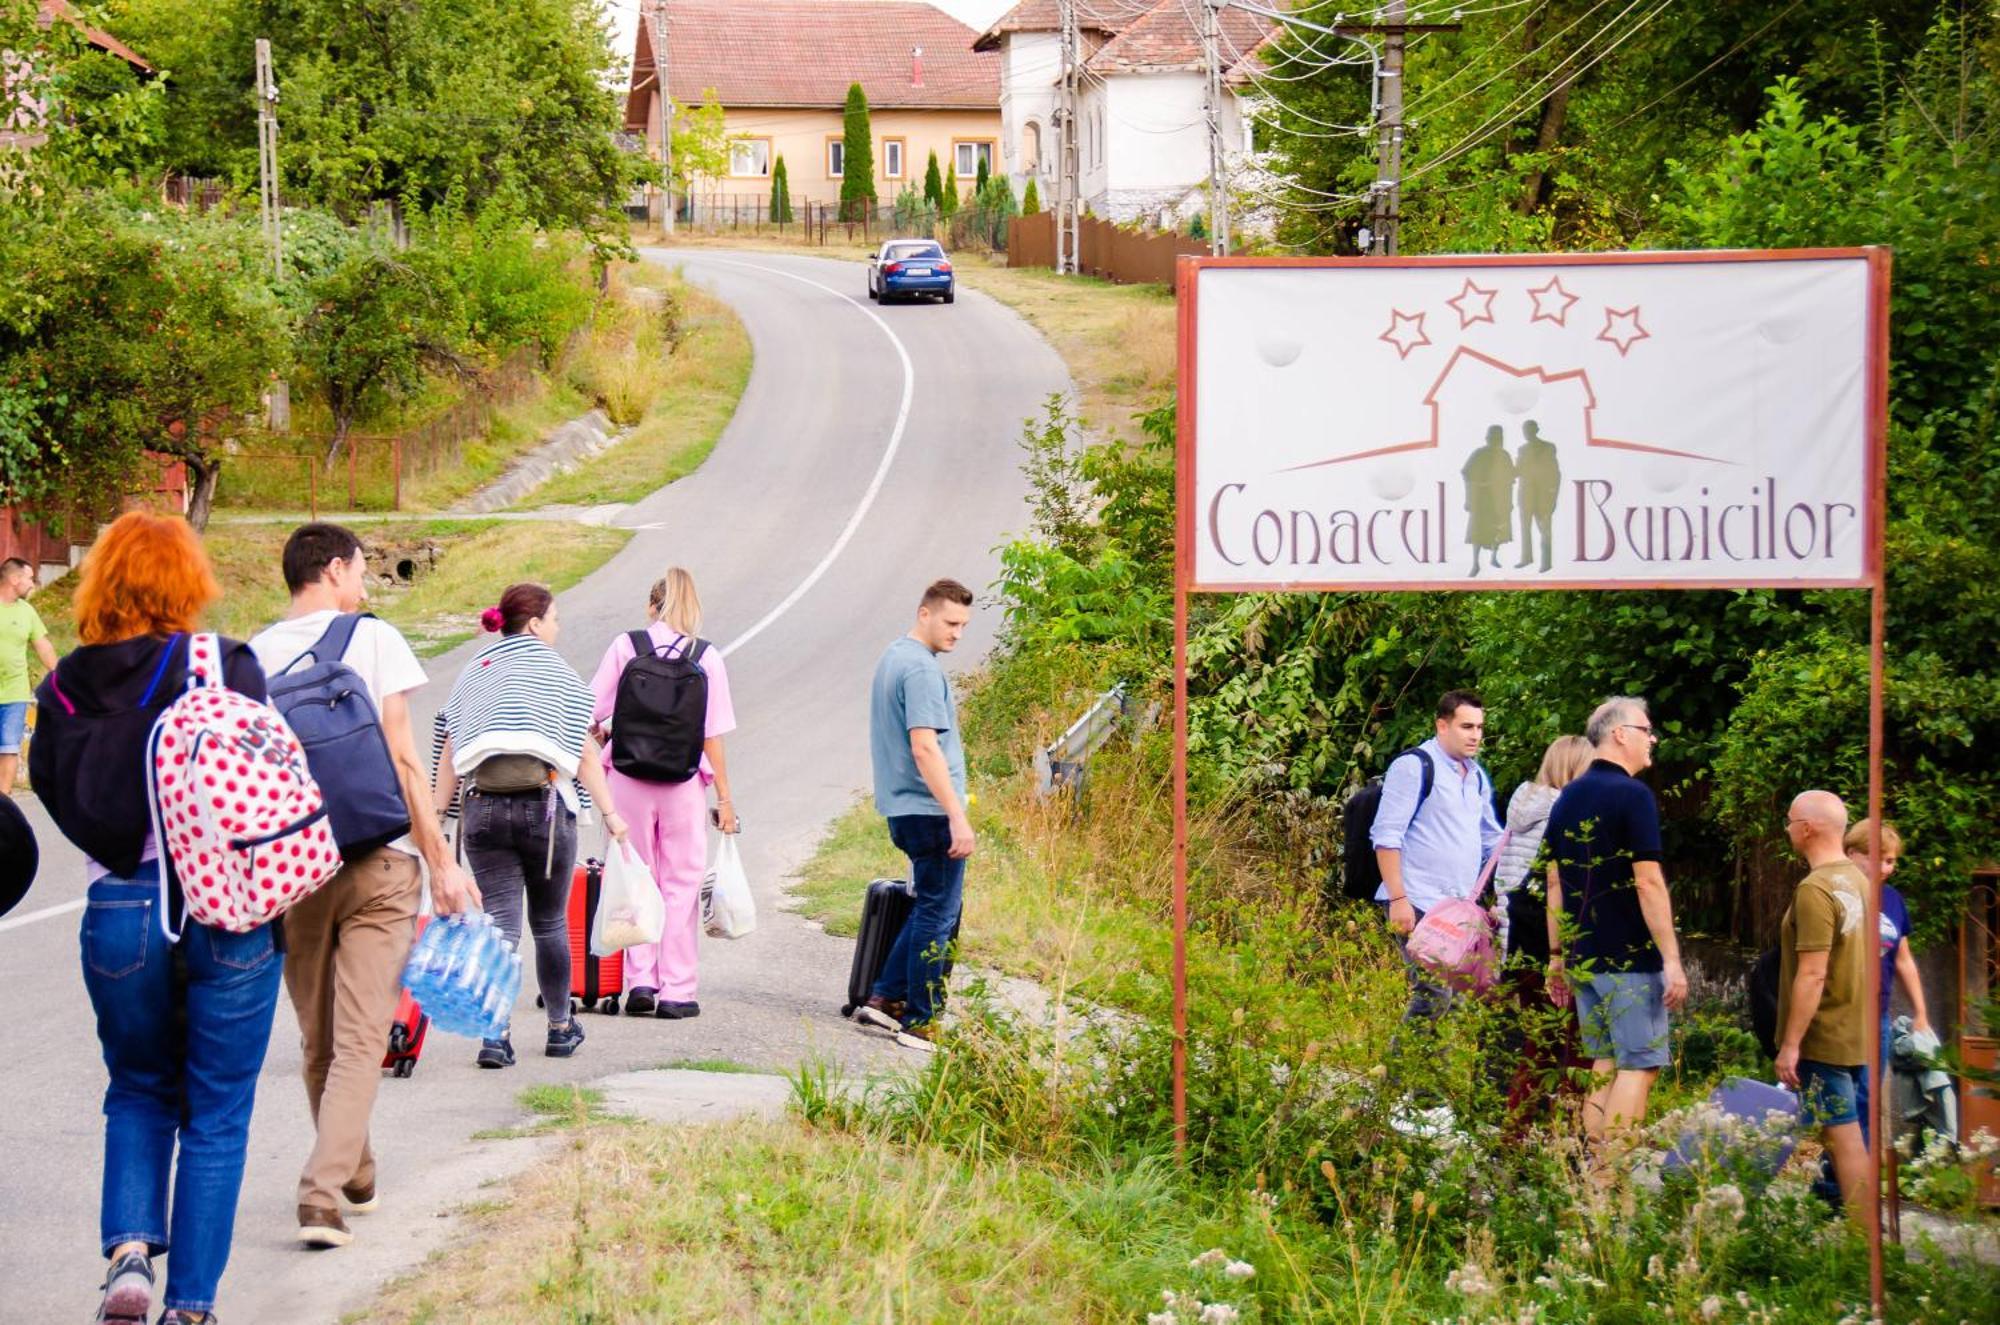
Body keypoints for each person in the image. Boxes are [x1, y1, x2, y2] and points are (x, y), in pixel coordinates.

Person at [29, 513, 279, 1325]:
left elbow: (56, 793)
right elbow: (269, 783)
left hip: (120, 907)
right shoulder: (222, 662)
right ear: (188, 581)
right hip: (228, 909)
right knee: (217, 1108)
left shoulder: (63, 684)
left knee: (137, 1086)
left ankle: (130, 1254)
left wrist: (117, 855)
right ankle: (192, 1307)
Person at [248, 523, 481, 1250]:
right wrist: (441, 862)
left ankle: (354, 1168)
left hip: (295, 873)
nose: (364, 585)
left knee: (321, 1039)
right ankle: (324, 1192)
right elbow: (408, 761)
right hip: (381, 861)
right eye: (359, 571)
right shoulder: (372, 639)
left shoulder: (249, 656)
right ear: (336, 568)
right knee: (359, 1038)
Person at [432, 583, 627, 1068]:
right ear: (535, 623)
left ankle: (494, 1037)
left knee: (499, 926)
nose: (558, 628)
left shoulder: (473, 672)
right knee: (550, 922)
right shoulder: (558, 674)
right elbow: (583, 752)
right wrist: (610, 814)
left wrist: (437, 821)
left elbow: (451, 751)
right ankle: (561, 1028)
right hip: (545, 810)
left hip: (483, 808)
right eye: (555, 618)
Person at [588, 566, 737, 1018]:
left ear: (652, 606)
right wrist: (726, 799)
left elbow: (590, 712)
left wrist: (603, 738)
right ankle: (677, 990)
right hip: (684, 781)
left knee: (637, 878)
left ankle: (640, 982)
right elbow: (713, 734)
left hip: (628, 777)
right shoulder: (706, 656)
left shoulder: (625, 646)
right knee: (681, 884)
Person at [1545, 696, 1687, 1157]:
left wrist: (1558, 955)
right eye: (1647, 730)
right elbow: (1647, 882)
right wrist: (1671, 959)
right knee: (1639, 1067)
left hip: (1585, 956)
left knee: (1604, 1064)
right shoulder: (1633, 796)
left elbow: (1554, 881)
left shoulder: (1569, 795)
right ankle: (1612, 1176)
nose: (1653, 740)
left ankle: (1593, 1181)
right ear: (1619, 733)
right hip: (1629, 958)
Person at [855, 579, 975, 1053]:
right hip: (929, 809)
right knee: (939, 912)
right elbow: (925, 747)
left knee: (931, 903)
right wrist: (957, 816)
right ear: (924, 614)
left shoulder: (893, 656)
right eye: (950, 622)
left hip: (903, 807)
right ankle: (922, 1022)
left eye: (964, 625)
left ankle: (885, 998)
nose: (957, 634)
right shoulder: (922, 670)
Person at [1371, 690, 1505, 1034]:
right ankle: (1397, 1082)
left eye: (1479, 727)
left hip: (1455, 909)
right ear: (1442, 726)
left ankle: (1428, 1087)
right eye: (1466, 726)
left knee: (1453, 1003)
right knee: (1433, 994)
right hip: (1415, 898)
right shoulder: (1415, 766)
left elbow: (1492, 839)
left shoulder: (1474, 775)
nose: (1475, 735)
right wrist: (1399, 900)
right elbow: (1386, 836)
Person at [1775, 790, 1872, 1216]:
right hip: (1858, 1027)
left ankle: (1864, 1241)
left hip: (1825, 1031)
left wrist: (1791, 1043)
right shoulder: (1859, 879)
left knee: (1843, 1137)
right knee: (1841, 1134)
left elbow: (1813, 973)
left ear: (1807, 828)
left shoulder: (1815, 889)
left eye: (1790, 821)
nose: (1787, 829)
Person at [1489, 734, 1593, 1119]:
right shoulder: (1563, 813)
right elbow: (1556, 882)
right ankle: (1558, 1131)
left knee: (1538, 1040)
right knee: (1567, 1041)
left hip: (1514, 933)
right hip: (1544, 936)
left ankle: (1516, 1124)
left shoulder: (1522, 804)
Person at [0, 554, 58, 796]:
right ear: (14, 579)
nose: (33, 584)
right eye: (29, 579)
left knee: (9, 748)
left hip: (15, 692)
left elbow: (43, 645)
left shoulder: (27, 612)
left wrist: (61, 677)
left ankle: (3, 806)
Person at [1463, 426, 1516, 576]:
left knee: (1498, 528)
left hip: (1499, 498)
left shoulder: (1504, 455)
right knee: (1478, 530)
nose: (1496, 441)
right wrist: (1475, 490)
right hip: (1482, 498)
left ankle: (1494, 557)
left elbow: (1510, 477)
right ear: (1488, 438)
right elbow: (1466, 472)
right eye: (1493, 438)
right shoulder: (1479, 454)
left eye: (1498, 438)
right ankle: (1475, 563)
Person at [1514, 421, 1561, 573]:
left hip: (1543, 495)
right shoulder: (1522, 450)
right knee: (1525, 528)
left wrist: (1553, 495)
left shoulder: (1548, 447)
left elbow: (1555, 472)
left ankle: (1546, 562)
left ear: (1536, 430)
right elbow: (1517, 471)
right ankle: (1526, 558)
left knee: (1545, 529)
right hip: (1525, 495)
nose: (1526, 433)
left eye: (1529, 429)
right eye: (1524, 430)